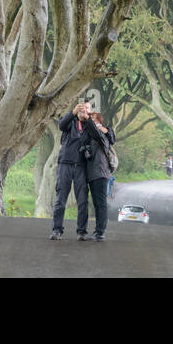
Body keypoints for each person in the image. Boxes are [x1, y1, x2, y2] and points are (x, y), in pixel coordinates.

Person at [50, 101, 93, 240]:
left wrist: (89, 120)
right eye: (81, 108)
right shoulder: (70, 122)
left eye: (86, 109)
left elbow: (97, 135)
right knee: (61, 198)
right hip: (65, 164)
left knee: (82, 200)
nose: (83, 110)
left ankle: (81, 232)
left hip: (81, 166)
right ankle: (57, 230)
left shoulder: (90, 125)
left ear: (90, 112)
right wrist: (72, 112)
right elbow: (61, 125)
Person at [83, 111, 116, 241]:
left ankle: (100, 232)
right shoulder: (91, 136)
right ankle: (97, 231)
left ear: (100, 123)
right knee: (96, 203)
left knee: (101, 203)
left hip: (101, 173)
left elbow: (97, 132)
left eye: (93, 118)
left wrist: (88, 119)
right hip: (93, 174)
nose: (90, 120)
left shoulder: (102, 135)